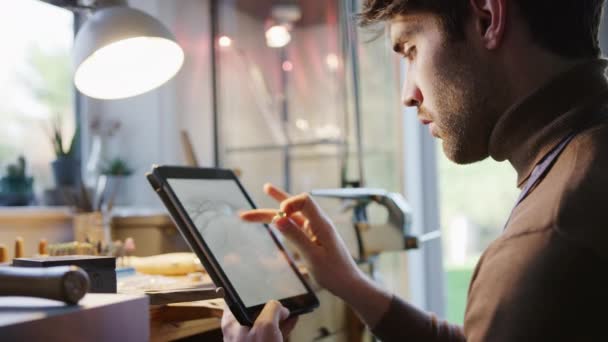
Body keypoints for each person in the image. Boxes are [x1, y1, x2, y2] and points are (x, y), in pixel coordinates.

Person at [222, 0, 608, 340]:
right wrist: (350, 284)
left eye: (410, 49)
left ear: (488, 18)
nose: (409, 94)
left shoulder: (545, 240)